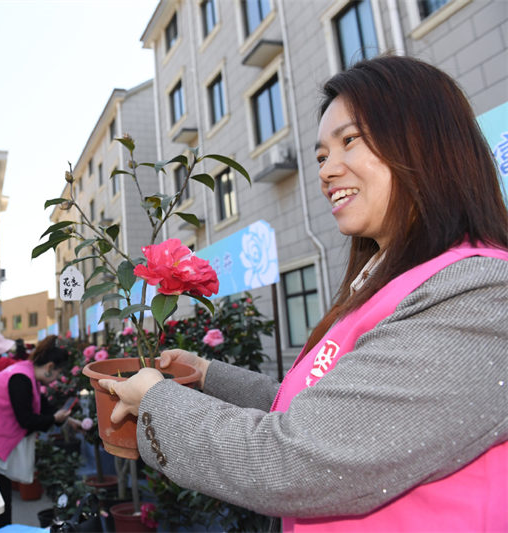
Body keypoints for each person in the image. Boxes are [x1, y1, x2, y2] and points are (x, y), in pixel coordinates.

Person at [100, 55, 508, 531]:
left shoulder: (479, 295)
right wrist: (208, 374)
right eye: (320, 156)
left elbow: (299, 457)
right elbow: (323, 411)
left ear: (425, 141)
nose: (326, 171)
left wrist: (156, 401)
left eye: (349, 141)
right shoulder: (394, 284)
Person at [0, 335, 77, 531]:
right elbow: (26, 419)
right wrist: (55, 419)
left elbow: (44, 408)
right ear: (50, 367)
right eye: (58, 373)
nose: (57, 378)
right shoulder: (21, 378)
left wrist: (67, 419)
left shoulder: (27, 374)